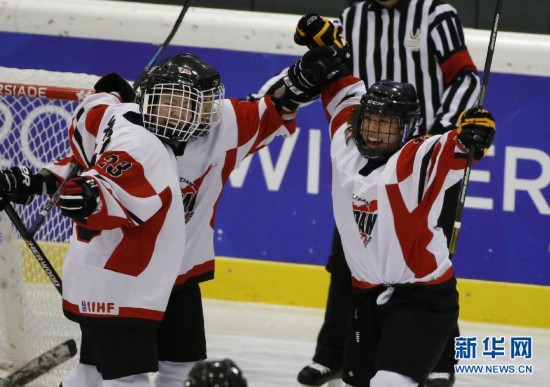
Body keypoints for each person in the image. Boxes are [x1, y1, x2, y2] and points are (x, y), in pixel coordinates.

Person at [291, 3, 481, 385]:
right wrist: (315, 41)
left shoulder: (434, 14)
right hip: (363, 151)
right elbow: (334, 63)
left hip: (420, 163)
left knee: (428, 256)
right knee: (351, 259)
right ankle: (333, 354)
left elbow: (466, 79)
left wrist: (443, 137)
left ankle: (440, 360)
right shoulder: (353, 16)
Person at [133, 53, 324, 386]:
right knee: (112, 376)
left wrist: (303, 75)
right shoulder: (124, 133)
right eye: (168, 101)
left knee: (183, 371)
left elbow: (274, 106)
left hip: (180, 280)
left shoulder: (220, 130)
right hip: (126, 279)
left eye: (190, 102)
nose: (178, 112)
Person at [0, 72, 187, 386]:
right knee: (126, 379)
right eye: (171, 103)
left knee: (89, 371)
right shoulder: (139, 141)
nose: (179, 114)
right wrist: (88, 197)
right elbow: (105, 186)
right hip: (121, 284)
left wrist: (35, 183)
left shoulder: (116, 130)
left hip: (101, 279)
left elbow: (91, 171)